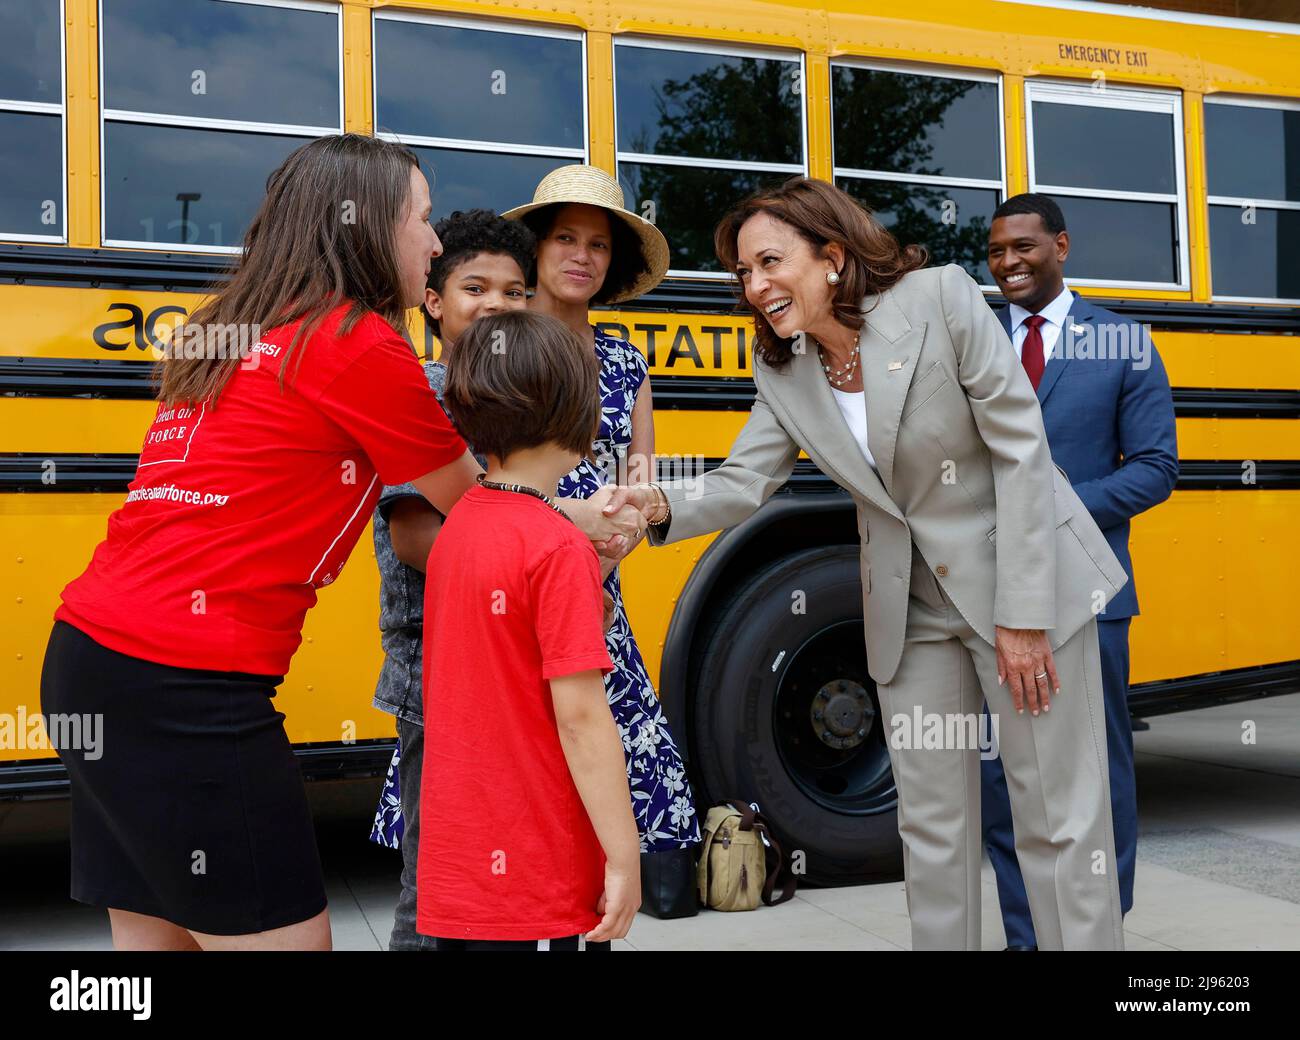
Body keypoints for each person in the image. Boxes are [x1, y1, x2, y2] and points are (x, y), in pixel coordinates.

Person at [606, 176, 1130, 950]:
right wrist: (655, 507)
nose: (755, 287)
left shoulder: (940, 299)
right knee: (931, 831)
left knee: (1055, 816)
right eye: (744, 274)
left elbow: (1022, 447)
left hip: (1025, 586)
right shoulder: (785, 370)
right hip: (911, 612)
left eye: (770, 262)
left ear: (832, 256)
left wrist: (1024, 614)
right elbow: (745, 480)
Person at [38, 134, 477, 951]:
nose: (436, 241)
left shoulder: (234, 330)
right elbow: (480, 511)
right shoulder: (354, 341)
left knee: (155, 947)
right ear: (371, 226)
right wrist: (590, 522)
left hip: (86, 664)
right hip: (186, 689)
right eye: (422, 218)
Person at [982, 193, 1178, 949]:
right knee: (1002, 779)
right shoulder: (977, 341)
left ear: (1061, 246)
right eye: (997, 251)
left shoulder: (1123, 342)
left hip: (1089, 596)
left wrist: (1052, 512)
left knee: (1096, 775)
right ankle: (1026, 936)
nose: (1009, 264)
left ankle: (1098, 929)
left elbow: (1157, 468)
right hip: (990, 597)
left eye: (1024, 247)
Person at [417, 310, 641, 950]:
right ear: (578, 415)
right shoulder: (554, 546)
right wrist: (623, 854)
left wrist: (586, 570)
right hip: (534, 870)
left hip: (463, 862)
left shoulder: (461, 525)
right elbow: (580, 717)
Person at [502, 166, 702, 861]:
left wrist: (614, 539)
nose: (581, 256)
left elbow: (643, 490)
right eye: (565, 238)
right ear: (536, 247)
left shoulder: (625, 363)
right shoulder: (495, 347)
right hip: (507, 599)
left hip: (598, 609)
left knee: (616, 803)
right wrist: (568, 532)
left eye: (598, 244)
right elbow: (474, 488)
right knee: (518, 798)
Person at [366, 209, 534, 950]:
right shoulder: (427, 391)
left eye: (515, 291)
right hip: (440, 677)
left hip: (503, 673)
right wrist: (539, 570)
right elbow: (415, 538)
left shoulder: (510, 399)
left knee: (494, 877)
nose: (497, 304)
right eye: (475, 287)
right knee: (433, 881)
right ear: (433, 302)